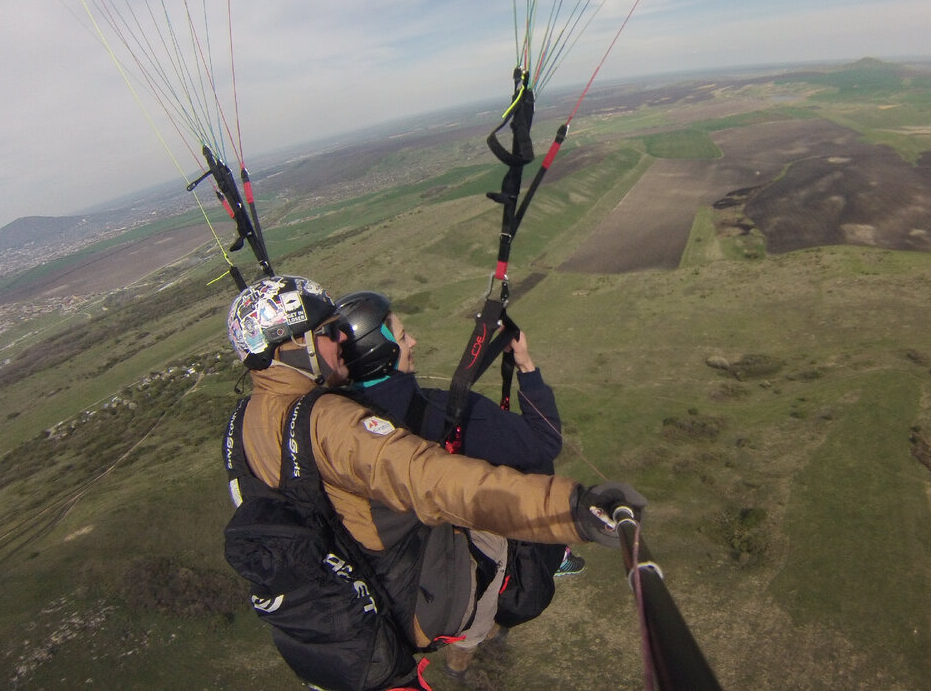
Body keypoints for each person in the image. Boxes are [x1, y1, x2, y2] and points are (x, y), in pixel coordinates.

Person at [226, 275, 645, 691]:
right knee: (492, 532)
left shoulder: (244, 422)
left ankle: (467, 656)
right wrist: (572, 509)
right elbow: (434, 479)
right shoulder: (331, 422)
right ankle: (470, 654)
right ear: (293, 345)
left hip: (345, 596)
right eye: (326, 333)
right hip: (416, 598)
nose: (339, 341)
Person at [334, 291, 583, 676]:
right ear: (380, 353)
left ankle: (460, 654)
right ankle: (465, 651)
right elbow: (543, 442)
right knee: (531, 476)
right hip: (453, 568)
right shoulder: (447, 413)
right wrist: (526, 367)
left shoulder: (336, 421)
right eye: (401, 338)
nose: (412, 341)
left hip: (389, 569)